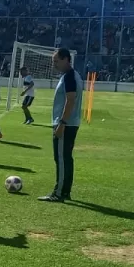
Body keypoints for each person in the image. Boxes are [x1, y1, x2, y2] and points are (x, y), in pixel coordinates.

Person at [40, 48, 82, 203]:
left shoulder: (70, 77)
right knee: (65, 158)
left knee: (62, 158)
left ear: (66, 59)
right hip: (68, 122)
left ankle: (59, 193)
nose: (54, 64)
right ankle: (64, 191)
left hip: (66, 123)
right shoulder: (70, 76)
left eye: (56, 61)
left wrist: (62, 123)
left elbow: (70, 100)